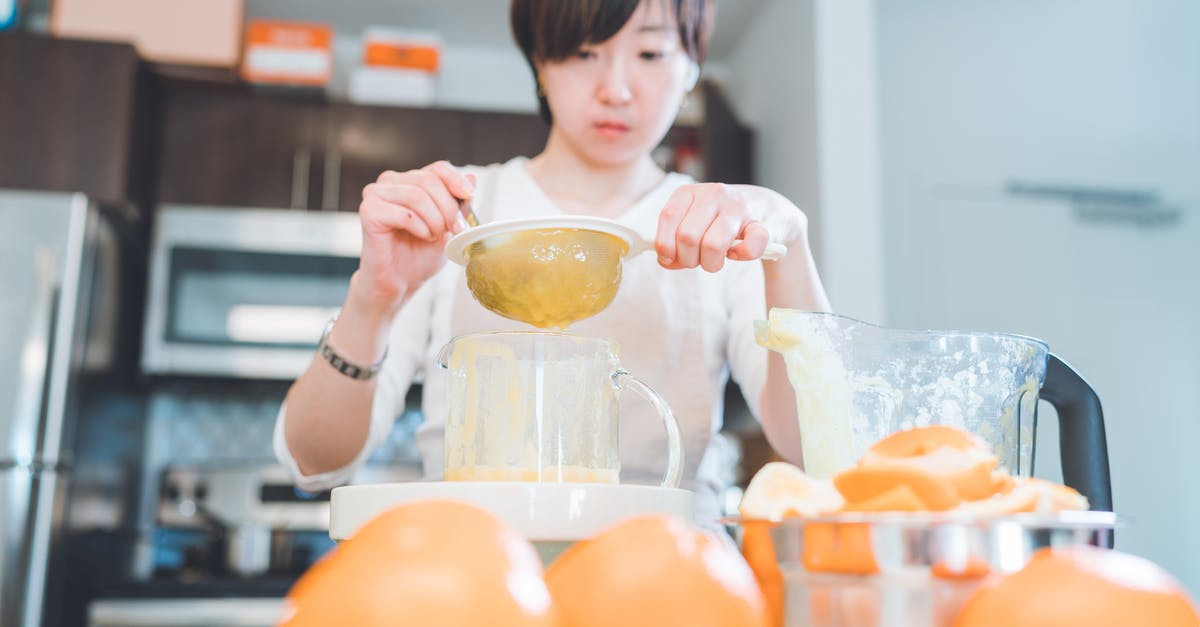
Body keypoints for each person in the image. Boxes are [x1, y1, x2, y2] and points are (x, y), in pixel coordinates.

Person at [274, 0, 831, 528]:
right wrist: (374, 299)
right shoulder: (455, 213)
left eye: (651, 54)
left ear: (691, 68)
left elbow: (819, 450)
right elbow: (315, 461)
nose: (615, 90)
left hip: (666, 571)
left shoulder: (719, 227)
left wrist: (791, 240)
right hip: (478, 566)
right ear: (540, 63)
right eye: (584, 52)